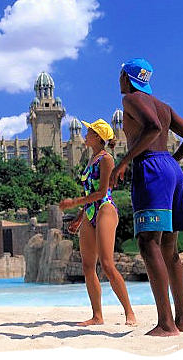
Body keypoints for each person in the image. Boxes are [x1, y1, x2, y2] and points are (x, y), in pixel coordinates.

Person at [110, 58, 183, 336]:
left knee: (148, 242)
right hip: (171, 170)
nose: (119, 79)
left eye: (121, 74)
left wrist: (124, 161)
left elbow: (153, 128)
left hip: (150, 168)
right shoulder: (163, 105)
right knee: (170, 249)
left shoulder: (131, 99)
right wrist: (172, 161)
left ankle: (166, 323)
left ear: (127, 77)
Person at [60, 119, 137, 327]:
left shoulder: (107, 159)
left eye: (90, 132)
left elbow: (102, 192)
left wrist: (73, 203)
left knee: (107, 264)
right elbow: (88, 192)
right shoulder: (90, 159)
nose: (85, 134)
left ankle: (129, 312)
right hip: (89, 212)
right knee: (87, 266)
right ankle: (97, 315)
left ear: (98, 137)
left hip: (105, 209)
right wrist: (78, 218)